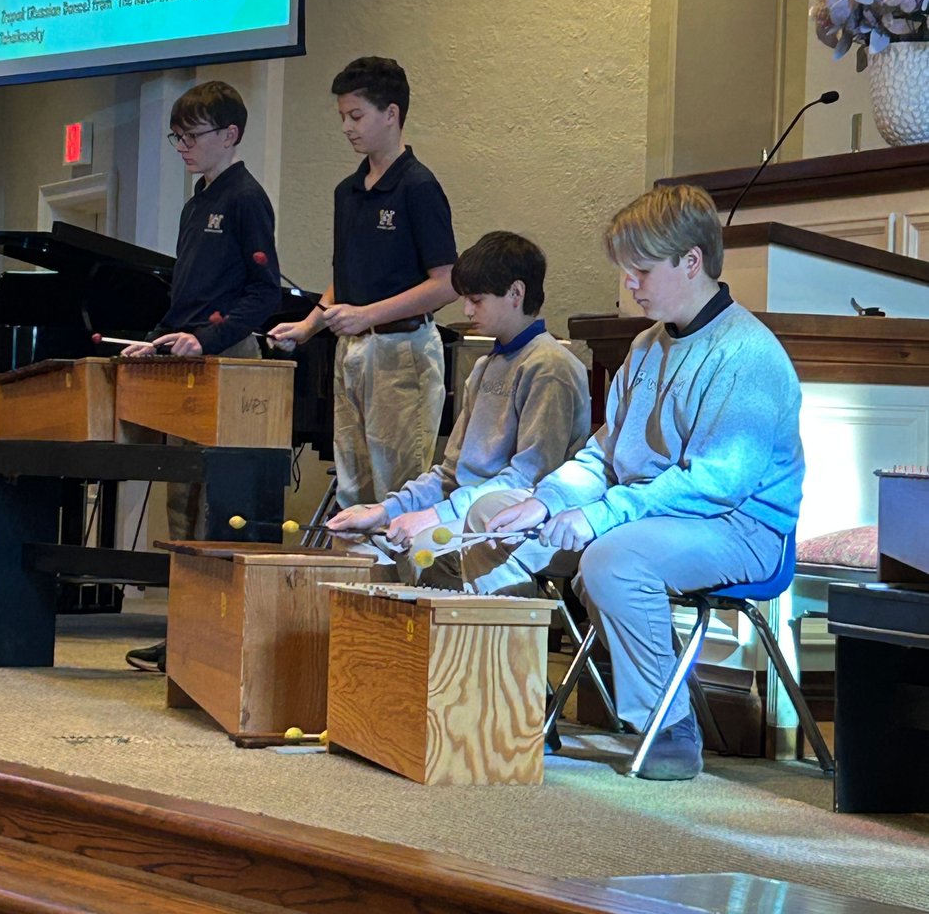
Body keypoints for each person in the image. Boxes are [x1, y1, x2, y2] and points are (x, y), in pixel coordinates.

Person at [460, 184, 804, 780]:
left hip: (738, 525)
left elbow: (715, 483)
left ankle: (669, 726)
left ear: (691, 262)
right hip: (648, 514)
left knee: (613, 558)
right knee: (489, 516)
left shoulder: (748, 354)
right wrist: (543, 504)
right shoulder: (646, 346)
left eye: (642, 270)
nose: (631, 285)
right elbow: (603, 456)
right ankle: (516, 694)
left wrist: (598, 516)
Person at [122, 79, 282, 672]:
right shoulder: (197, 202)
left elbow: (264, 292)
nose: (183, 145)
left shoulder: (246, 198)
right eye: (177, 136)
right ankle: (184, 631)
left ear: (230, 135)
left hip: (230, 362)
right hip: (188, 364)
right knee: (181, 498)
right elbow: (189, 295)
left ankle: (219, 638)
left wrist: (207, 337)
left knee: (220, 502)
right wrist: (159, 338)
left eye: (192, 135)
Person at [325, 231, 591, 582]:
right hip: (465, 511)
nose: (466, 311)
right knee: (359, 546)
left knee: (422, 550)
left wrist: (436, 515)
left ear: (516, 293)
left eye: (476, 300)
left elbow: (528, 479)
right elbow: (450, 474)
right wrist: (384, 510)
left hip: (521, 520)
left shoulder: (550, 367)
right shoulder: (485, 366)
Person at [268, 57, 457, 510]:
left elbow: (448, 283)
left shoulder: (418, 186)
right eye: (342, 118)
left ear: (391, 114)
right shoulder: (347, 191)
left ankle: (399, 581)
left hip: (402, 351)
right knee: (352, 487)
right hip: (351, 353)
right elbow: (345, 280)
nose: (347, 128)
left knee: (398, 492)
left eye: (356, 116)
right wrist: (308, 326)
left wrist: (366, 316)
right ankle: (356, 581)